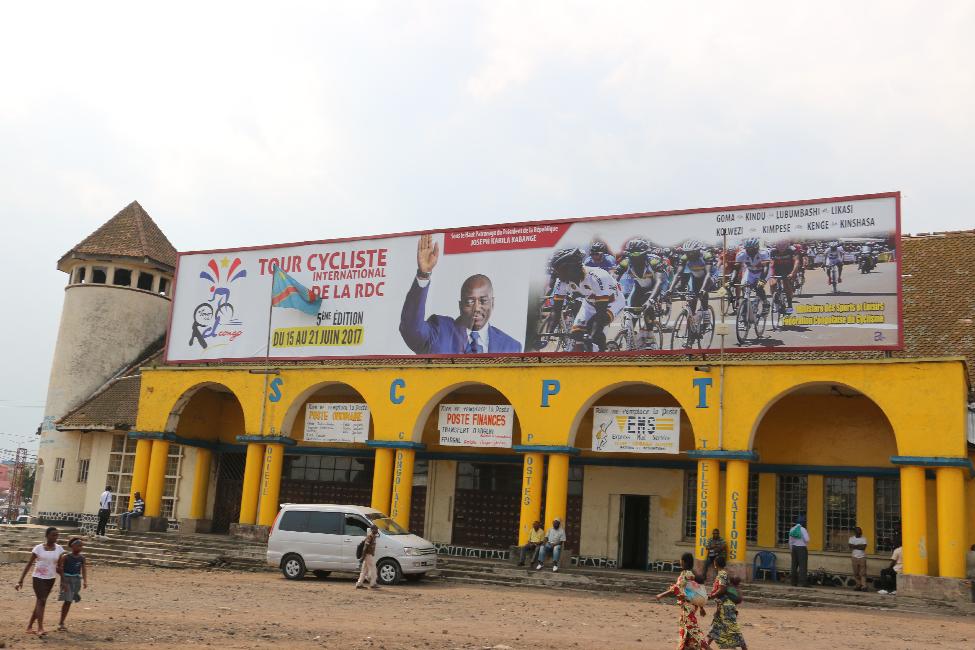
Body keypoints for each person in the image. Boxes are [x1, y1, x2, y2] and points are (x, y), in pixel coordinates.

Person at [399, 234, 522, 354]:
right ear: (460, 305)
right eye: (470, 301)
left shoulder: (511, 346)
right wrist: (423, 274)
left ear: (492, 303)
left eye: (483, 301)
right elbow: (411, 330)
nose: (477, 308)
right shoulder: (440, 330)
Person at [548, 248, 625, 352]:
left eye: (560, 270)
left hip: (612, 303)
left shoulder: (598, 276)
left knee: (594, 331)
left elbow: (600, 313)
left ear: (572, 268)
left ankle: (602, 356)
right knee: (576, 334)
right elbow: (556, 309)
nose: (557, 274)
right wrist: (548, 333)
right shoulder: (562, 281)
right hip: (589, 303)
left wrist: (592, 335)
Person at [15, 526, 65, 637]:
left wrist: (63, 581)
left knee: (40, 602)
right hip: (38, 578)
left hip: (51, 578)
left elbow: (60, 567)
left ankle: (29, 626)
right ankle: (40, 628)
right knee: (41, 600)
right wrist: (20, 580)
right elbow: (29, 564)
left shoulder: (59, 549)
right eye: (53, 535)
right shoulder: (38, 548)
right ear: (47, 536)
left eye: (57, 535)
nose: (56, 537)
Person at [656, 551, 709, 649]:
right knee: (687, 633)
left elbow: (675, 589)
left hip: (687, 608)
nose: (680, 562)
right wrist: (701, 607)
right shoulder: (693, 574)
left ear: (684, 562)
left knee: (694, 632)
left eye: (681, 560)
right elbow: (696, 591)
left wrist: (661, 594)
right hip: (693, 606)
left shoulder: (684, 574)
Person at [707, 555, 747, 649]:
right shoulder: (725, 573)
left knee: (733, 628)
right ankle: (705, 646)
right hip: (723, 605)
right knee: (715, 629)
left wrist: (711, 596)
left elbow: (722, 589)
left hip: (725, 606)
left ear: (715, 564)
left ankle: (743, 647)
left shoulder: (722, 574)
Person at [57, 537, 88, 631]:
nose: (80, 548)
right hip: (67, 579)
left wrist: (85, 581)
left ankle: (62, 622)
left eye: (81, 546)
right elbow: (60, 568)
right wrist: (63, 581)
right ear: (73, 546)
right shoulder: (66, 557)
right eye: (79, 546)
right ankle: (61, 623)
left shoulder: (82, 558)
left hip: (76, 579)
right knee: (67, 600)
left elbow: (84, 569)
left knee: (69, 600)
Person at [735, 238, 771, 315]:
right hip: (750, 272)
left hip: (763, 272)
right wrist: (732, 281)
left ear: (757, 248)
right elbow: (736, 269)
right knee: (744, 287)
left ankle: (765, 303)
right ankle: (744, 313)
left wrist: (762, 280)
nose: (750, 251)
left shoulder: (763, 253)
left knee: (759, 286)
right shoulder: (741, 254)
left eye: (752, 249)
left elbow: (766, 267)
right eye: (748, 249)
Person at [768, 241, 798, 313]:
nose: (781, 247)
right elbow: (771, 264)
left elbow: (796, 262)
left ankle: (790, 305)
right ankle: (776, 303)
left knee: (787, 286)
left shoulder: (792, 250)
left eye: (783, 245)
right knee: (772, 284)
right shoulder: (773, 251)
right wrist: (771, 275)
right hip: (777, 269)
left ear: (787, 245)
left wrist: (792, 273)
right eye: (779, 245)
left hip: (788, 270)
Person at [356, 524, 380, 589]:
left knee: (364, 570)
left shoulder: (374, 536)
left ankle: (359, 584)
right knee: (373, 569)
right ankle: (373, 583)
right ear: (372, 530)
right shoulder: (370, 537)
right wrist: (363, 557)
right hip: (368, 555)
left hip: (368, 555)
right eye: (375, 529)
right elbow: (365, 547)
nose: (377, 530)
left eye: (377, 529)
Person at [788, 515, 810, 587]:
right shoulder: (803, 529)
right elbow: (807, 540)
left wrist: (791, 549)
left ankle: (793, 582)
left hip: (794, 549)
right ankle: (803, 583)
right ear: (803, 522)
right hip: (802, 548)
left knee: (794, 566)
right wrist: (803, 541)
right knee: (803, 566)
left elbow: (790, 541)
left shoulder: (792, 529)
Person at [848, 526, 868, 591]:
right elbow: (850, 546)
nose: (860, 532)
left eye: (860, 530)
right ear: (855, 532)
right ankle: (858, 585)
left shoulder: (864, 539)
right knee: (856, 572)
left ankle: (864, 586)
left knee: (863, 573)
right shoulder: (851, 538)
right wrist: (859, 546)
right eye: (858, 530)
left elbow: (863, 547)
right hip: (854, 557)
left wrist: (855, 546)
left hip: (862, 557)